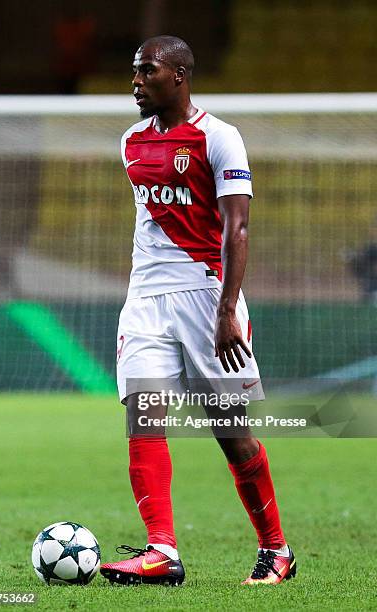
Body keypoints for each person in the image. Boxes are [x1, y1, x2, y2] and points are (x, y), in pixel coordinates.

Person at [100, 35, 296, 586]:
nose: (135, 82)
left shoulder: (219, 137)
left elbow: (238, 228)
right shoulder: (131, 142)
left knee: (230, 432)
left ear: (179, 76)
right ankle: (161, 551)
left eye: (147, 72)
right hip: (144, 299)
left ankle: (276, 550)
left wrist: (228, 309)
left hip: (207, 295)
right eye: (134, 72)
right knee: (143, 416)